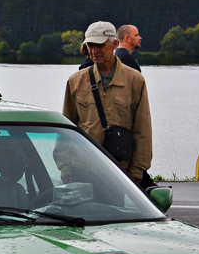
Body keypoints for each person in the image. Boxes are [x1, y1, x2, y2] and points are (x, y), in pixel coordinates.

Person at [59, 20, 152, 186]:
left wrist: (137, 171)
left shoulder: (134, 80)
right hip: (82, 169)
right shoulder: (76, 81)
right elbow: (66, 128)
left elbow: (142, 129)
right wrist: (65, 168)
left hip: (120, 170)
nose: (94, 51)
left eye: (100, 45)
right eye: (90, 46)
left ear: (114, 43)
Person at [78, 24, 142, 71]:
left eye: (100, 45)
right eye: (136, 35)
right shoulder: (128, 58)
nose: (94, 51)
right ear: (127, 38)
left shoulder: (84, 70)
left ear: (115, 44)